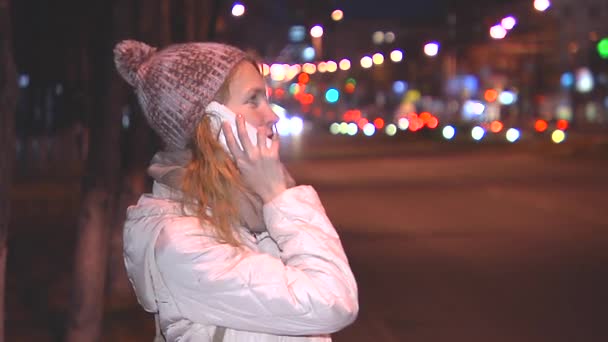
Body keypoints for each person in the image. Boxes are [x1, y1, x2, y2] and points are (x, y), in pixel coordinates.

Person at [113, 39, 358, 341]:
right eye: (252, 100)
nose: (272, 116)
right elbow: (333, 301)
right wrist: (279, 195)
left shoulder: (247, 210)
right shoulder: (181, 241)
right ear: (210, 120)